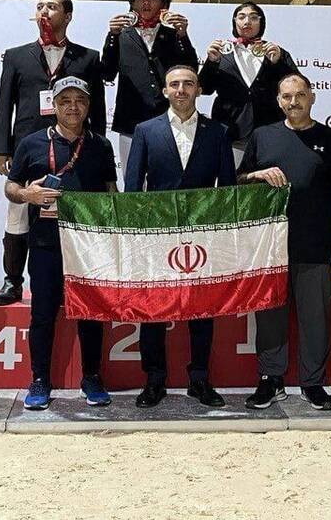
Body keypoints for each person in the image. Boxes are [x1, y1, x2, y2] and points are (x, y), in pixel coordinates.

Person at [238, 73, 331, 411]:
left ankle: (312, 383)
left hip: (316, 243)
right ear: (278, 100)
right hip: (269, 246)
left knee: (316, 318)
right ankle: (270, 380)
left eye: (300, 95)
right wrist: (257, 174)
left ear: (312, 97)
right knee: (269, 318)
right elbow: (238, 181)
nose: (293, 102)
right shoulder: (262, 136)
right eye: (287, 96)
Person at [125, 64, 235, 408]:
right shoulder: (145, 130)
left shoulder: (218, 132)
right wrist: (136, 235)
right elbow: (133, 188)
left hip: (204, 236)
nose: (181, 89)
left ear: (198, 89)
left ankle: (199, 379)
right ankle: (154, 380)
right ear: (165, 91)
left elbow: (227, 188)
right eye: (174, 84)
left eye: (188, 83)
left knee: (202, 310)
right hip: (156, 236)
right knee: (154, 310)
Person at [5, 76, 116, 410]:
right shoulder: (31, 143)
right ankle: (39, 379)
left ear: (88, 106)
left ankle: (91, 377)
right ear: (53, 106)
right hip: (45, 243)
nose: (72, 107)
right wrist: (28, 194)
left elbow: (111, 190)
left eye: (79, 100)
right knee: (42, 314)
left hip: (89, 246)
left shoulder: (101, 145)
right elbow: (11, 187)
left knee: (91, 314)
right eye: (65, 100)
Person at [0, 0, 106, 308]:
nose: (44, 11)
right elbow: (5, 105)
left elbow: (97, 106)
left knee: (71, 216)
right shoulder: (15, 55)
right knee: (18, 214)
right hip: (27, 148)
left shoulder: (88, 57)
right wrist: (2, 148)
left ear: (67, 16)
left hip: (73, 148)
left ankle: (74, 279)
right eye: (40, 6)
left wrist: (96, 149)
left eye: (52, 6)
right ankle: (13, 280)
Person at [101, 0, 198, 179]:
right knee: (132, 179)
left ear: (163, 3)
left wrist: (183, 35)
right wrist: (112, 36)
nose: (146, 3)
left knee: (167, 179)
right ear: (132, 3)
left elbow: (191, 70)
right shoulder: (122, 35)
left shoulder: (173, 35)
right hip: (130, 122)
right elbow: (107, 72)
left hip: (169, 121)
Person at [200, 1, 299, 164]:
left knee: (269, 178)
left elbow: (297, 87)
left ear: (261, 22)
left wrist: (278, 63)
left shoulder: (276, 52)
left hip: (270, 132)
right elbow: (204, 88)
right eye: (241, 17)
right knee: (231, 178)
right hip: (231, 133)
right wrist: (211, 62)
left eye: (253, 17)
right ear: (234, 22)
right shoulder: (221, 52)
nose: (247, 21)